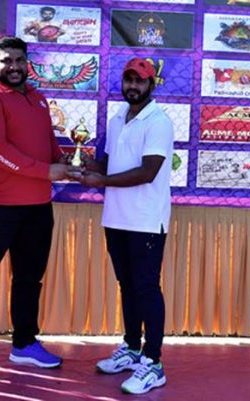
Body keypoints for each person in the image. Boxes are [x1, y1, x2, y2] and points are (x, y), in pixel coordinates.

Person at [0, 36, 73, 384]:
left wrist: (64, 161)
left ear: (27, 63)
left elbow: (48, 141)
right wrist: (46, 171)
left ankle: (24, 344)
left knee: (29, 279)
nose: (14, 67)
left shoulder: (38, 98)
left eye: (19, 60)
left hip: (38, 206)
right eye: (6, 61)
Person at [71, 57, 174, 395]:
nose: (133, 86)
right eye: (129, 80)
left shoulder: (158, 122)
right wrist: (90, 165)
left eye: (140, 81)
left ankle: (153, 363)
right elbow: (111, 164)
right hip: (116, 218)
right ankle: (131, 348)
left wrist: (101, 181)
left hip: (145, 220)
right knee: (127, 286)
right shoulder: (117, 117)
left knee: (146, 288)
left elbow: (147, 172)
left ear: (151, 85)